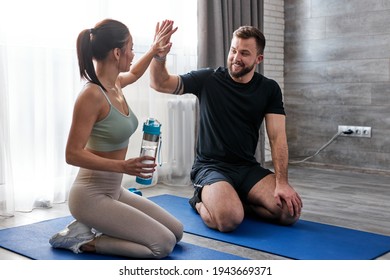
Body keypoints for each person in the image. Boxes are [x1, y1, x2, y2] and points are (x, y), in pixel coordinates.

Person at [49, 19, 183, 259]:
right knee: (163, 245)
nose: (133, 54)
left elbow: (134, 72)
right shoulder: (91, 95)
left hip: (115, 190)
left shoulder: (115, 85)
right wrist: (122, 166)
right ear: (117, 52)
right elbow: (72, 154)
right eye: (131, 48)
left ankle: (101, 224)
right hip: (89, 196)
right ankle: (84, 239)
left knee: (177, 232)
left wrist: (155, 50)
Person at [150, 24, 303, 233]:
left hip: (246, 167)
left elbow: (277, 137)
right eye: (233, 50)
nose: (236, 57)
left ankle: (236, 200)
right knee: (229, 220)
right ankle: (198, 200)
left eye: (244, 53)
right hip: (210, 167)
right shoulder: (208, 79)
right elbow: (159, 83)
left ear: (259, 59)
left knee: (288, 212)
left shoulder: (269, 89)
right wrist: (159, 56)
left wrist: (282, 182)